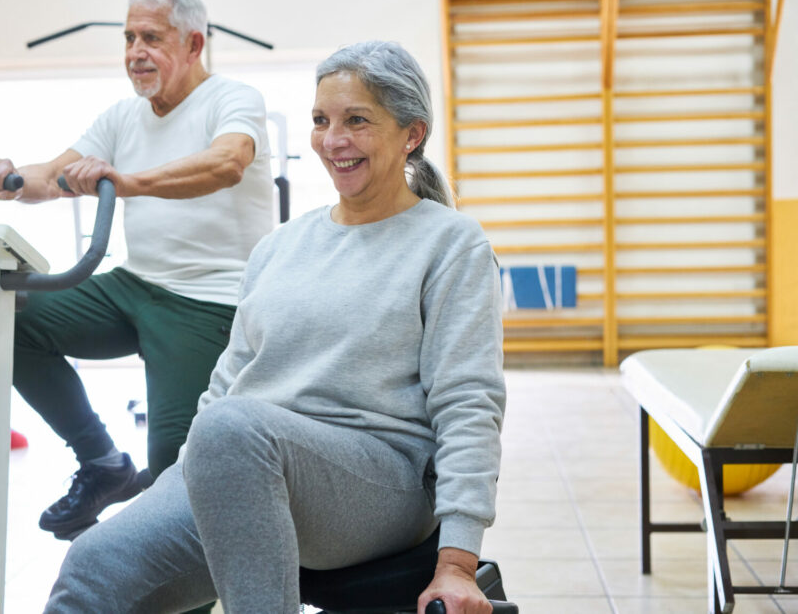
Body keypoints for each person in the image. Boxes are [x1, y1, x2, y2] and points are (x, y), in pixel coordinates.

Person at [44, 40, 505, 614]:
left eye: (356, 121)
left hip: (378, 485)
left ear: (412, 133)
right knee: (92, 566)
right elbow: (226, 385)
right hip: (240, 465)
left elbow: (468, 402)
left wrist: (457, 562)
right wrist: (168, 497)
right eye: (320, 121)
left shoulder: (450, 243)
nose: (332, 141)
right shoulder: (279, 246)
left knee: (235, 430)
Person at [0, 0, 274, 541]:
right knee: (8, 320)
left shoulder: (232, 100)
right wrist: (5, 177)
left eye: (151, 38)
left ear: (193, 45)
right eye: (129, 38)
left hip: (209, 300)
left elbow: (226, 163)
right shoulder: (122, 117)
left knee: (176, 471)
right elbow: (55, 175)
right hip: (133, 285)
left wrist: (125, 182)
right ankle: (102, 462)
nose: (136, 52)